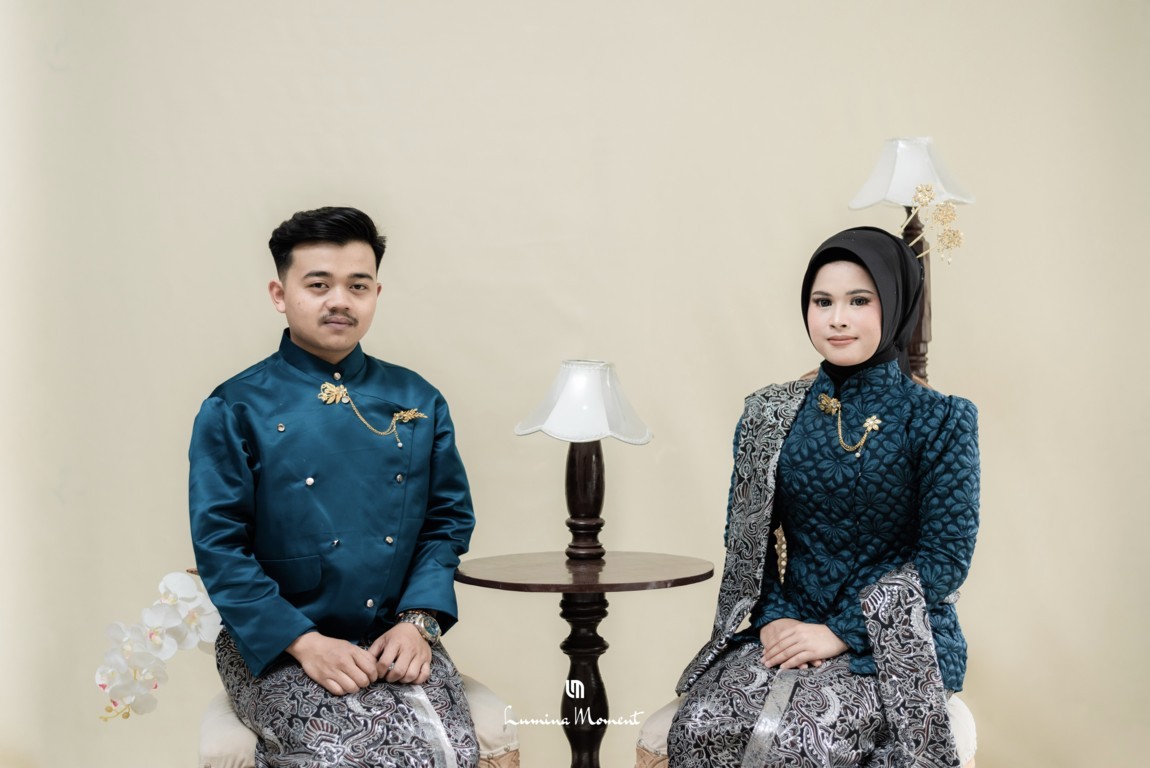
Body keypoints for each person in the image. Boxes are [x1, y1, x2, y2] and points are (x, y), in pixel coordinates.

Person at [667, 226, 979, 766]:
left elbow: (944, 559)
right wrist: (774, 619)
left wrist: (839, 632)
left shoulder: (941, 420)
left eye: (859, 301)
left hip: (894, 641)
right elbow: (748, 543)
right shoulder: (769, 413)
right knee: (700, 725)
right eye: (822, 301)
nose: (837, 318)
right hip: (790, 625)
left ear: (894, 306)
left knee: (800, 742)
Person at [189, 206, 479, 767]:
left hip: (394, 635)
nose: (340, 300)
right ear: (280, 294)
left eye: (357, 285)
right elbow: (220, 546)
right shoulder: (234, 407)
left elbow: (447, 522)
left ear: (376, 294)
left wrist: (417, 624)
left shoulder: (418, 398)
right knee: (334, 754)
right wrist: (304, 643)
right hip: (276, 643)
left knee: (447, 752)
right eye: (318, 285)